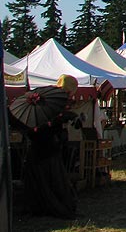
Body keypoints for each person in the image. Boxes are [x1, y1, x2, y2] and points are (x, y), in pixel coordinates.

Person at [15, 75, 80, 219]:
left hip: (42, 149)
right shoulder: (54, 103)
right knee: (51, 181)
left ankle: (41, 206)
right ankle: (49, 206)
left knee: (44, 181)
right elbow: (47, 129)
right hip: (46, 149)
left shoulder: (52, 102)